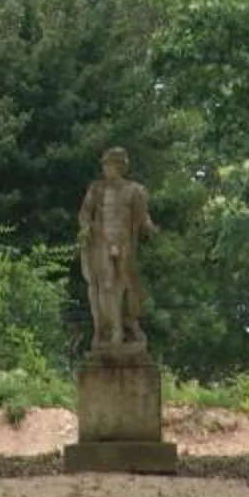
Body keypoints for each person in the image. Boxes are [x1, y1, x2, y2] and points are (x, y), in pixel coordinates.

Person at [78, 146, 155, 350]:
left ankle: (129, 325)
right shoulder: (97, 189)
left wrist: (150, 228)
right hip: (101, 242)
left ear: (120, 167)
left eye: (109, 165)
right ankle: (111, 330)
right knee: (106, 285)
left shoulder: (134, 190)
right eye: (104, 165)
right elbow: (85, 213)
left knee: (126, 286)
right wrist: (85, 229)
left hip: (124, 243)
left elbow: (142, 216)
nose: (106, 169)